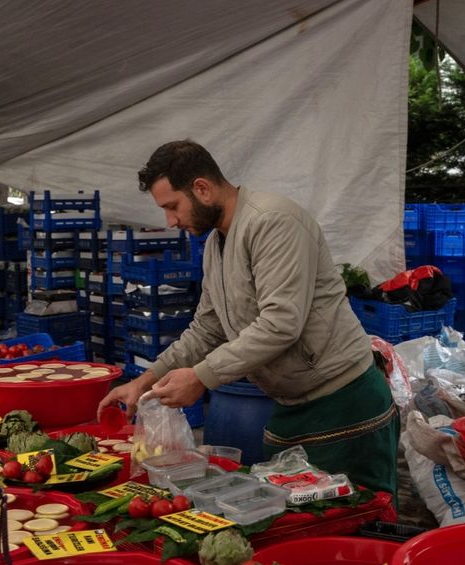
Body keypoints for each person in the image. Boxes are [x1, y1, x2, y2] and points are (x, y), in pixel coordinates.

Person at [98, 140, 399, 500]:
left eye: (172, 206)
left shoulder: (273, 222)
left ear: (202, 189)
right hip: (291, 405)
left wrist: (201, 377)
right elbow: (207, 329)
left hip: (344, 404)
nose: (171, 221)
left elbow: (281, 323)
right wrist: (147, 379)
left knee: (361, 521)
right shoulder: (216, 245)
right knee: (300, 523)